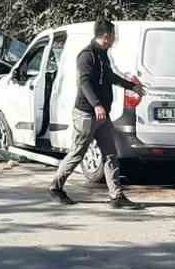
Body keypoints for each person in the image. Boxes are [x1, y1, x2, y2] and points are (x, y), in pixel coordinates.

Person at [49, 20, 146, 209]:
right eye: (113, 35)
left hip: (103, 115)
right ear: (106, 36)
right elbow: (84, 83)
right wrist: (96, 105)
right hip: (86, 114)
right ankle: (55, 187)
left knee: (111, 154)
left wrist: (132, 86)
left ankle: (116, 196)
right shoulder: (86, 56)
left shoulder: (103, 54)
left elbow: (109, 77)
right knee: (78, 153)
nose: (115, 39)